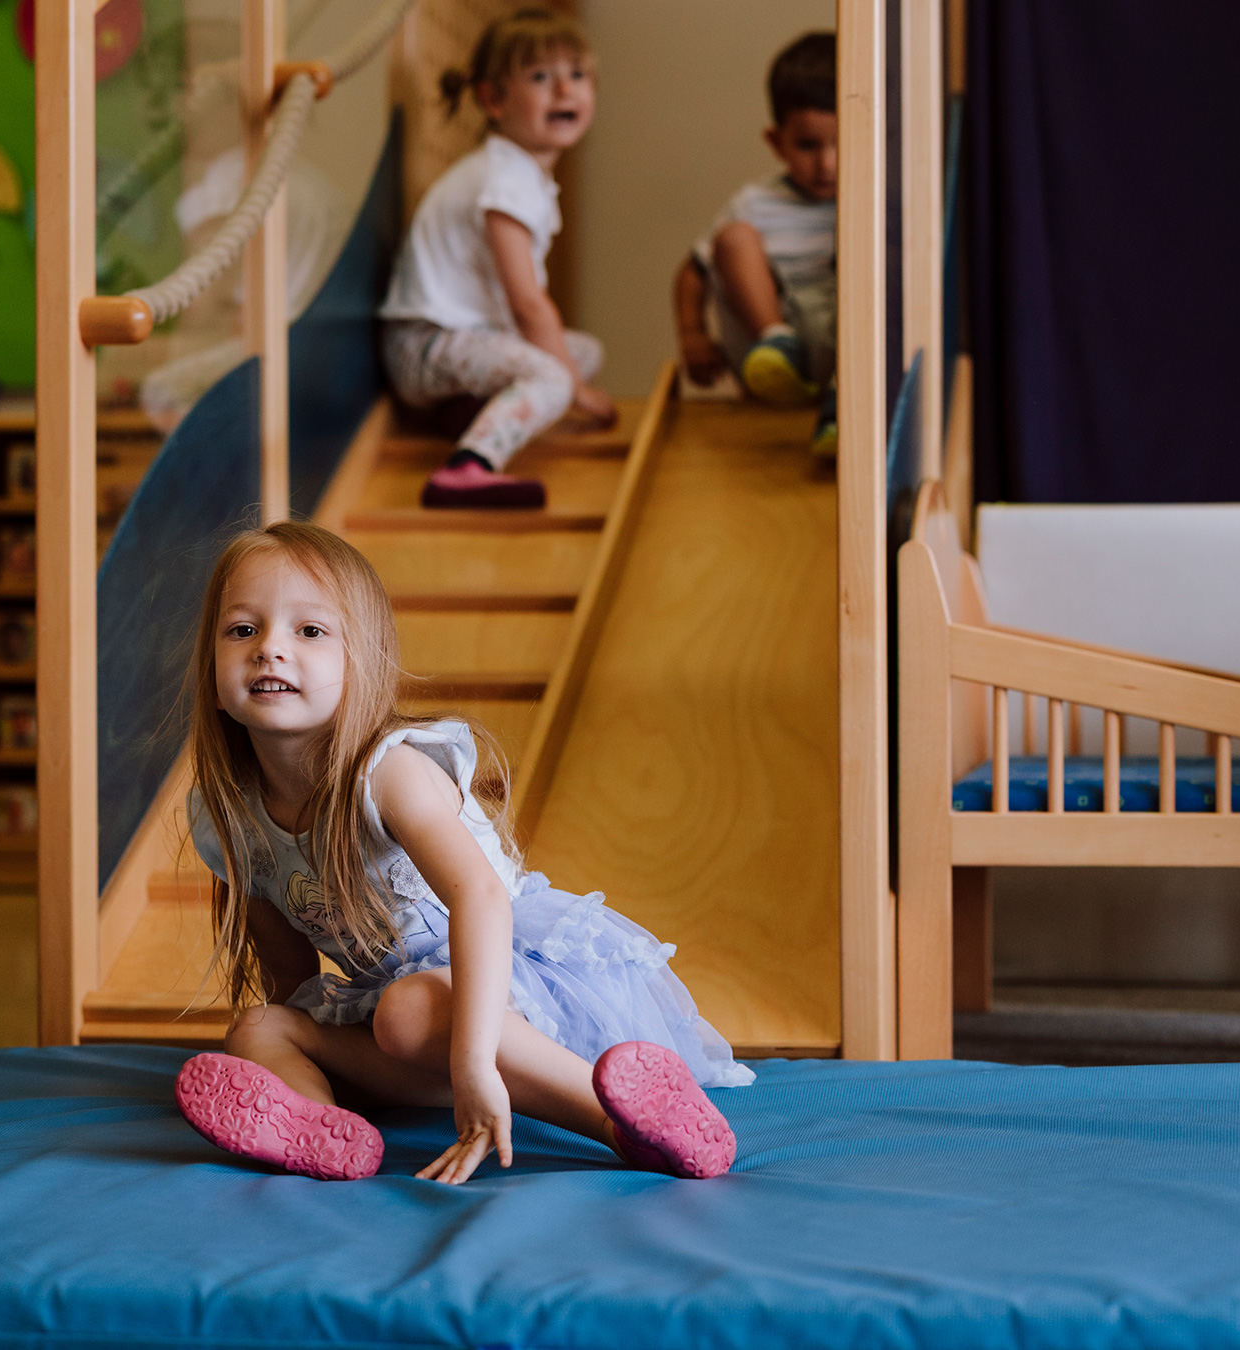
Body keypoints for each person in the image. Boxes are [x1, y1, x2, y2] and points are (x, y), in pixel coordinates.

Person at [173, 520, 751, 1184]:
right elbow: (289, 977)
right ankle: (319, 1130)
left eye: (309, 631)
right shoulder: (231, 820)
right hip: (409, 1025)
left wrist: (475, 1063)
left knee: (408, 1012)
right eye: (242, 629)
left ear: (359, 659)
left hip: (507, 992)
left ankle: (619, 1121)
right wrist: (303, 1047)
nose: (269, 649)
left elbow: (480, 898)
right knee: (258, 1031)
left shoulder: (387, 773)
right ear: (211, 667)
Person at [380, 8, 614, 510]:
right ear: (492, 98)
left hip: (452, 341)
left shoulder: (518, 172)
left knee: (585, 350)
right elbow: (528, 304)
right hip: (426, 344)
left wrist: (572, 372)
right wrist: (572, 389)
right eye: (540, 77)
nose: (565, 91)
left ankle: (465, 412)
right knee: (555, 373)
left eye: (577, 74)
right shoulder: (505, 180)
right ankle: (468, 466)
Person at [672, 31, 839, 457]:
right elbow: (692, 273)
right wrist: (693, 335)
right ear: (775, 141)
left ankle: (840, 410)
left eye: (844, 143)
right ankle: (776, 342)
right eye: (808, 145)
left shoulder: (867, 204)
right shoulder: (757, 201)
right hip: (776, 334)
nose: (827, 164)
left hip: (839, 340)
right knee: (734, 237)